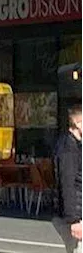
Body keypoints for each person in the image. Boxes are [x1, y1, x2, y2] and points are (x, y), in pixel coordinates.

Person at [55, 105, 83, 251]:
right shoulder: (68, 148)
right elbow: (68, 183)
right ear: (78, 124)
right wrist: (74, 220)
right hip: (76, 215)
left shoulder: (76, 146)